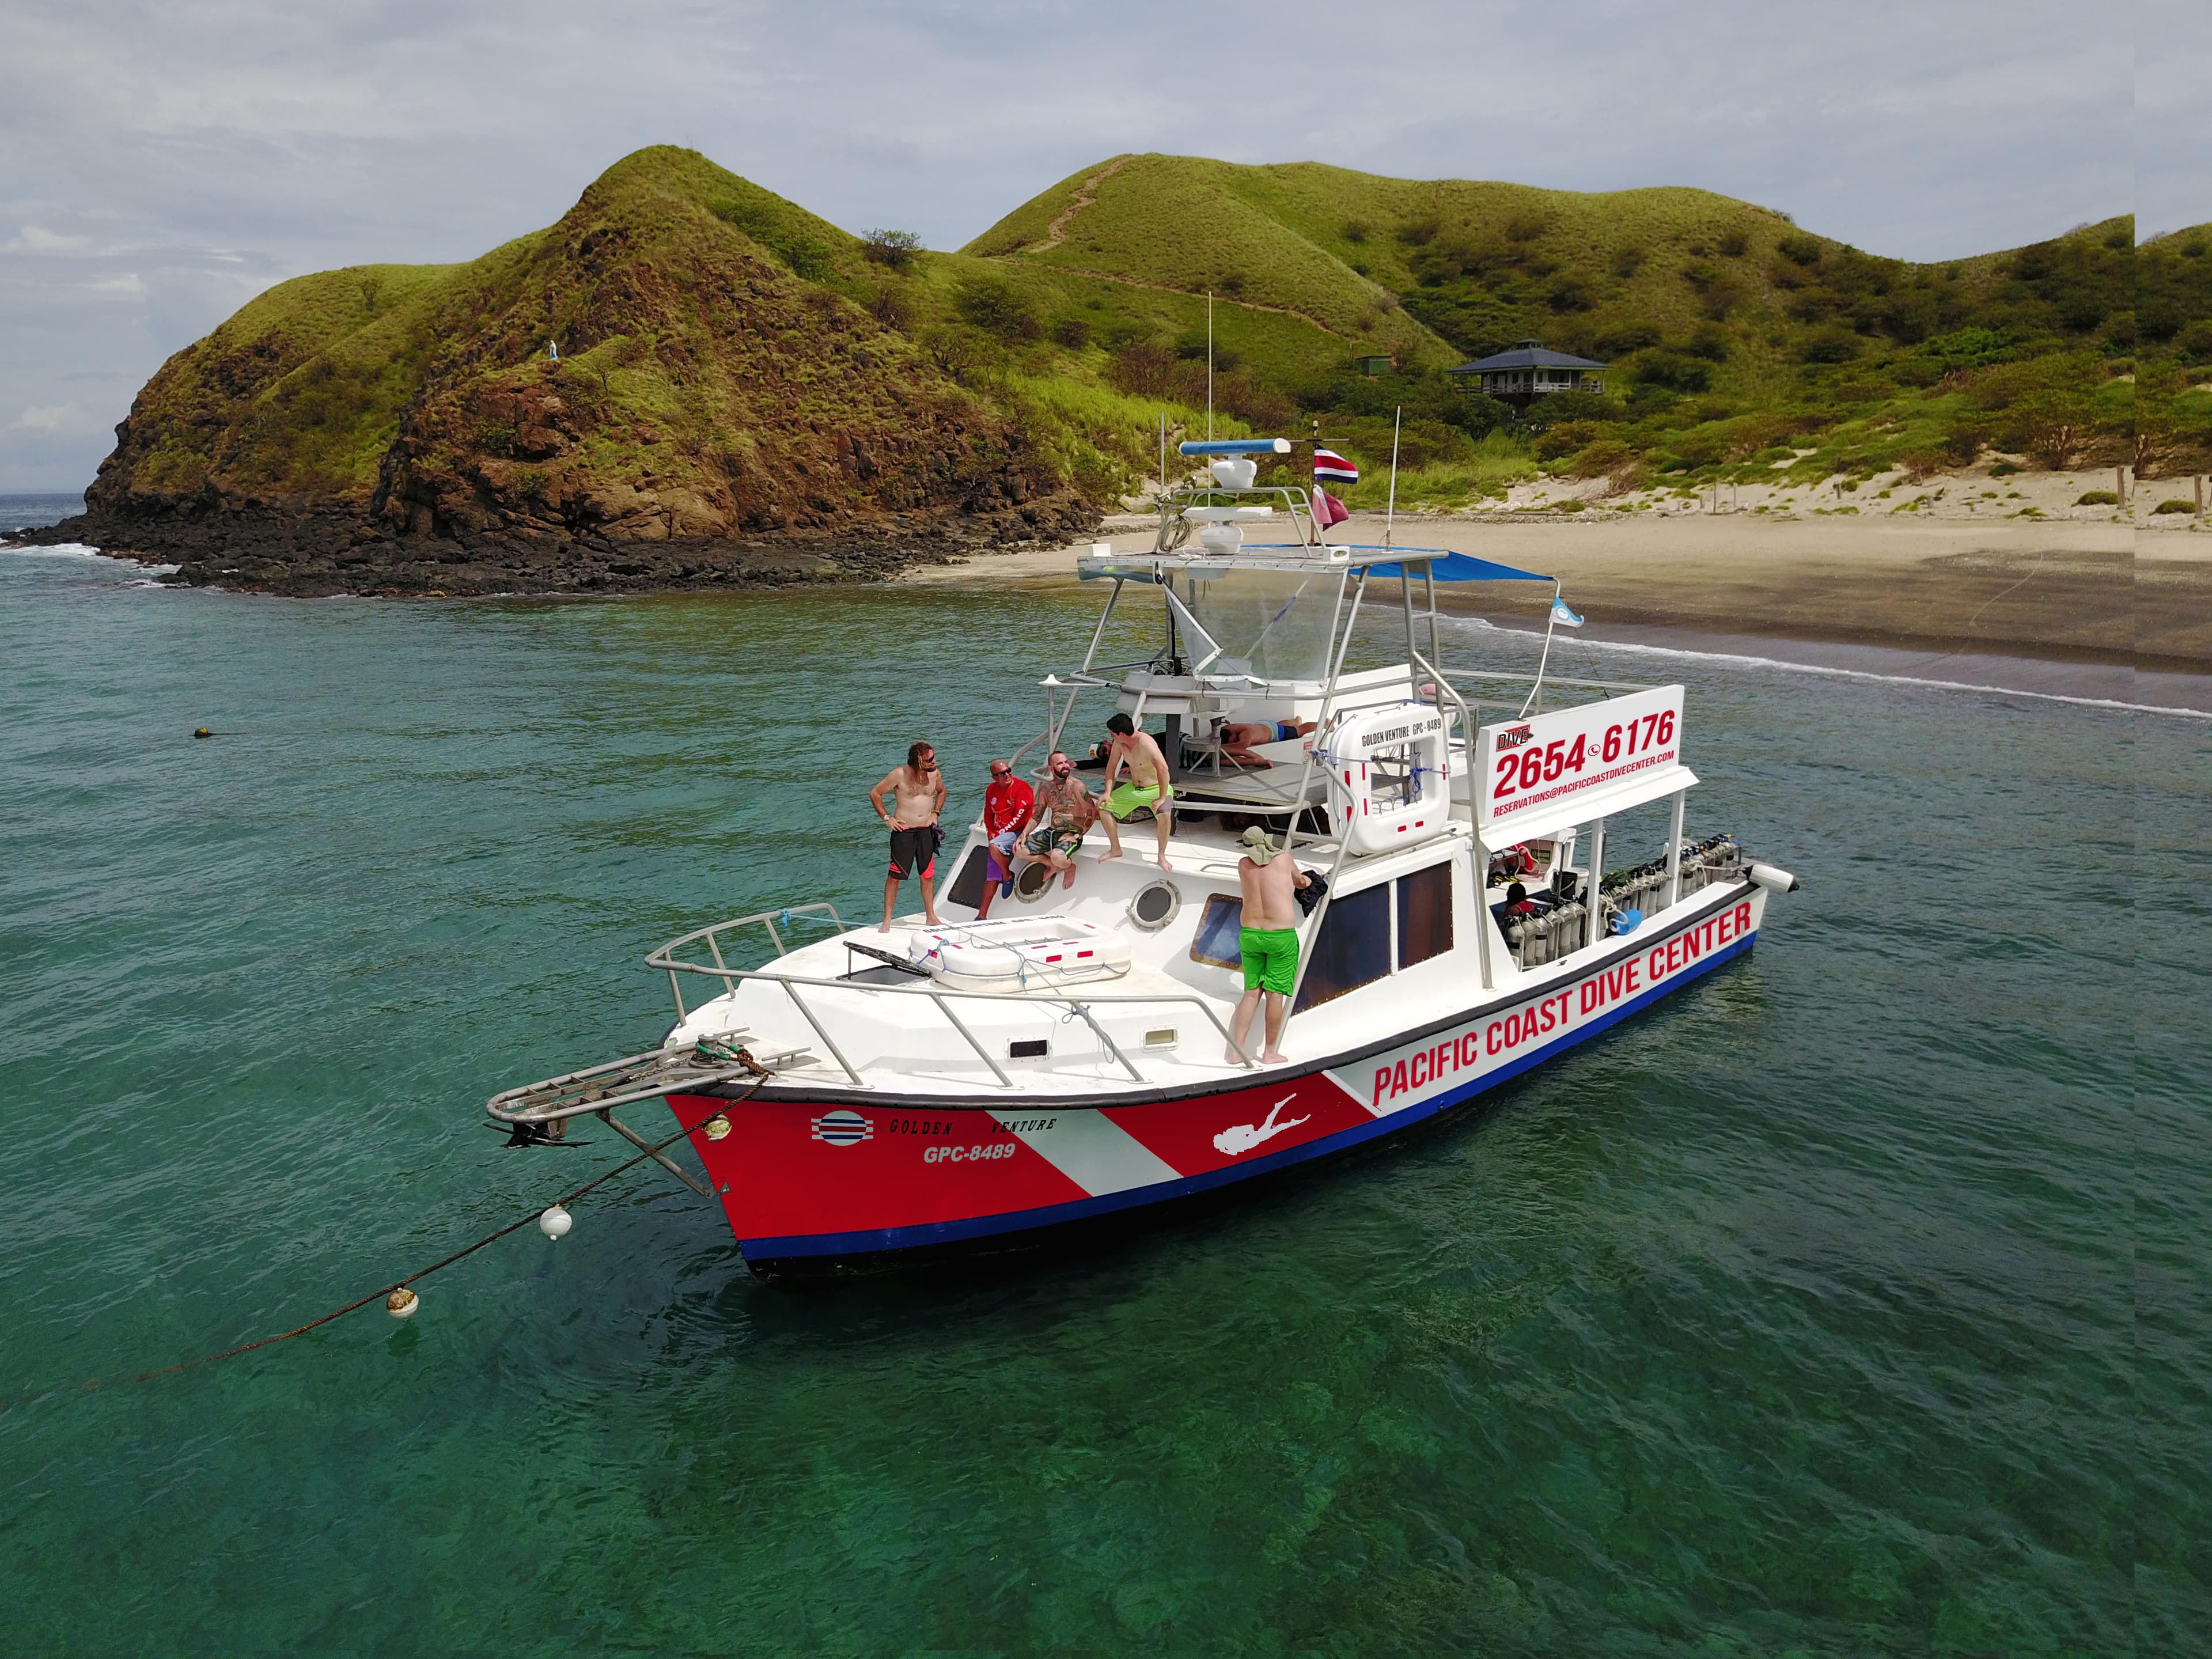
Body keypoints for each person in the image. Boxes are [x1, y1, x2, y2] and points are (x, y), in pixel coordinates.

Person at [1227, 824, 1310, 1065]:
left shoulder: (1243, 865)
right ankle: (1270, 1052)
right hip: (1280, 936)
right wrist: (1305, 878)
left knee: (1252, 993)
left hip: (1250, 934)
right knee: (1275, 995)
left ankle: (1237, 1051)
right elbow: (1301, 883)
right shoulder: (1284, 860)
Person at [870, 740, 946, 931]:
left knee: (927, 876)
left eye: (934, 757)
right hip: (904, 833)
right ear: (918, 760)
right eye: (930, 760)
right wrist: (887, 818)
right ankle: (887, 919)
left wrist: (936, 812)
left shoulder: (935, 774)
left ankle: (931, 916)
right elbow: (876, 793)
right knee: (894, 877)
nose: (934, 762)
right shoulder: (900, 775)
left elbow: (942, 791)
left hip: (927, 832)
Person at [1099, 711, 1175, 871]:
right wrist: (1107, 792)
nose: (1110, 736)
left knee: (1165, 814)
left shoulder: (1146, 743)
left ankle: (1162, 856)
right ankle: (1115, 849)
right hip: (1134, 788)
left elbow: (1164, 769)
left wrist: (1162, 797)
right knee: (1104, 807)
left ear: (1121, 734)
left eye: (1112, 733)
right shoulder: (1119, 744)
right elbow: (1111, 767)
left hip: (1157, 787)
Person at [1017, 751, 1094, 891]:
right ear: (1051, 769)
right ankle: (1052, 866)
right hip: (1052, 832)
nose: (1065, 766)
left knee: (1057, 856)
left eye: (1066, 762)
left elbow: (1092, 813)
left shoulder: (1078, 787)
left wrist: (1077, 835)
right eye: (1060, 764)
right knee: (1019, 849)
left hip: (1071, 834)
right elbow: (1038, 814)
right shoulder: (1046, 788)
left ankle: (1069, 868)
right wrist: (1025, 833)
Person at [974, 758, 1034, 919]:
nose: (1007, 775)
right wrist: (991, 832)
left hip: (1017, 832)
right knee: (992, 875)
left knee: (994, 847)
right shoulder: (991, 789)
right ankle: (982, 916)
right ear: (994, 777)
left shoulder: (1023, 789)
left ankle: (1007, 876)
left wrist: (999, 834)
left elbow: (1020, 818)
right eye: (1001, 774)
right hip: (1000, 835)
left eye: (1008, 770)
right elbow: (988, 813)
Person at [1214, 717, 1317, 767]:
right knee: (1280, 725)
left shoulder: (1246, 734)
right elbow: (1214, 736)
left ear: (1233, 734)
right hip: (1264, 725)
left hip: (1275, 732)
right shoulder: (1229, 728)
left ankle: (1324, 723)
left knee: (1300, 730)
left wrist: (1220, 747)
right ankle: (1295, 721)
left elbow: (1241, 747)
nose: (1236, 741)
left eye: (1234, 740)